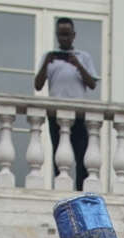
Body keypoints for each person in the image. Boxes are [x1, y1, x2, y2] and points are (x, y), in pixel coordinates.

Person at [34, 16, 96, 190]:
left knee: (81, 156)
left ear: (74, 35)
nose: (64, 38)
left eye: (67, 34)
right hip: (56, 116)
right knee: (59, 155)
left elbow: (92, 84)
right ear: (56, 35)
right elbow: (38, 85)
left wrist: (77, 65)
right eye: (61, 35)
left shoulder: (83, 57)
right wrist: (46, 63)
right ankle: (60, 188)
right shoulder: (49, 57)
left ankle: (80, 191)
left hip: (79, 115)